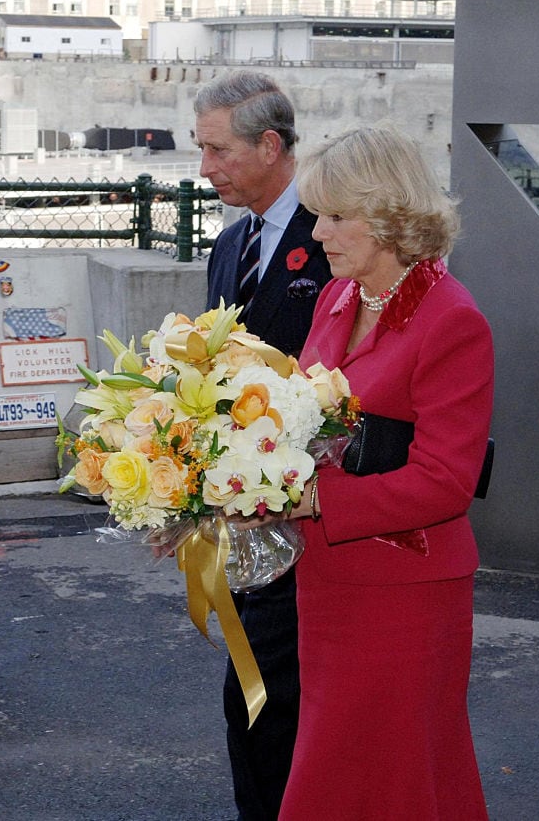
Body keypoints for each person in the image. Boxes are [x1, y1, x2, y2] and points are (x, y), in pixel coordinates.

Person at [237, 124, 493, 818]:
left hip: (406, 597)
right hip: (329, 589)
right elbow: (300, 426)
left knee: (394, 774)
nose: (317, 232)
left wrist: (313, 499)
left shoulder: (452, 320)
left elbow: (446, 482)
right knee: (346, 774)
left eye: (336, 216)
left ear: (390, 215)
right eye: (318, 213)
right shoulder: (336, 300)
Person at [194, 70, 331, 820]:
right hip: (245, 522)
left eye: (217, 151)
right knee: (255, 701)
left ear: (269, 145)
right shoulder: (229, 244)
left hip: (313, 516)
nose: (204, 170)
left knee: (273, 702)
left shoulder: (334, 236)